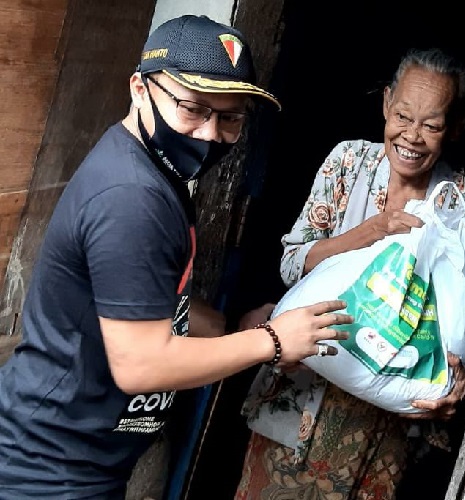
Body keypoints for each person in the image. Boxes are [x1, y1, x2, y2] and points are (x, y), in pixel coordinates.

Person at [0, 15, 353, 499]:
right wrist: (271, 341)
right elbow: (141, 365)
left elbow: (159, 304)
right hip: (48, 471)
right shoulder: (131, 198)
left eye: (230, 118)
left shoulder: (155, 171)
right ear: (140, 89)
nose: (209, 134)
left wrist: (235, 328)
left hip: (77, 463)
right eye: (192, 108)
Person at [235, 47, 465, 500]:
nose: (413, 136)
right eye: (403, 116)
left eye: (432, 125)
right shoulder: (348, 164)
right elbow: (290, 266)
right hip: (302, 401)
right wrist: (366, 234)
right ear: (386, 105)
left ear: (456, 126)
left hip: (393, 428)